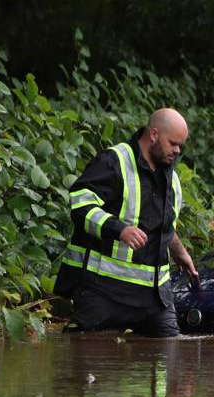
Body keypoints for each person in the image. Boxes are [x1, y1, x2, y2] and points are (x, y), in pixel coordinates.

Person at [54, 108, 199, 337]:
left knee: (169, 357)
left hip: (154, 299)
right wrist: (119, 229)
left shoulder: (172, 180)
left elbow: (166, 227)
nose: (177, 151)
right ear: (153, 134)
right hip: (104, 291)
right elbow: (80, 206)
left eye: (181, 146)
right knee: (81, 354)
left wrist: (181, 253)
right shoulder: (114, 161)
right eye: (173, 143)